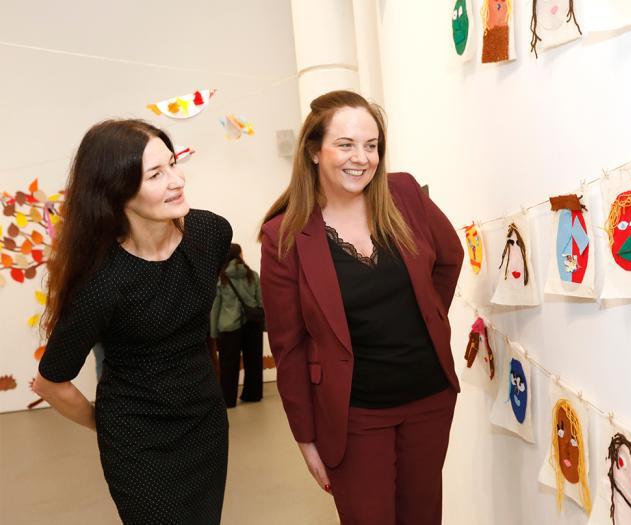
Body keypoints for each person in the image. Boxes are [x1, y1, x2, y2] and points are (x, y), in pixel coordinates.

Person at [259, 90, 463, 525]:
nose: (362, 158)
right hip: (355, 415)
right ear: (314, 151)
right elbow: (289, 346)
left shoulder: (404, 193)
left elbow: (449, 258)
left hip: (429, 399)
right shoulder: (285, 235)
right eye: (346, 144)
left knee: (424, 517)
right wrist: (305, 437)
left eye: (371, 146)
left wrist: (427, 320)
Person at [32, 119, 232, 524]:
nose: (177, 180)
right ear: (116, 191)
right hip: (139, 444)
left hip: (206, 423)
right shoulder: (102, 283)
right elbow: (51, 382)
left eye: (173, 164)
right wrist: (110, 429)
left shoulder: (210, 232)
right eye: (156, 174)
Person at [210, 243, 264, 407]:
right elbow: (261, 302)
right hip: (252, 325)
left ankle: (228, 399)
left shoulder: (222, 278)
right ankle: (253, 394)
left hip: (229, 326)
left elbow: (215, 307)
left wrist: (213, 333)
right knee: (254, 360)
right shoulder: (252, 275)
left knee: (228, 363)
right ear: (240, 254)